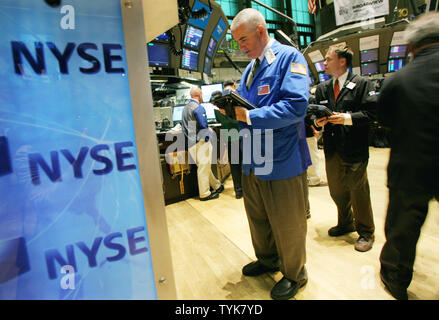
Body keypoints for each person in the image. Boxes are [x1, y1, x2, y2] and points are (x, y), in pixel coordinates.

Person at [229, 8, 311, 300]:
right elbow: (245, 108)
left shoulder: (289, 58)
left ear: (261, 31)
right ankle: (267, 260)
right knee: (259, 218)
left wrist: (249, 117)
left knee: (287, 222)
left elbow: (295, 106)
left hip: (282, 159)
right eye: (237, 41)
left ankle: (294, 273)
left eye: (243, 39)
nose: (241, 46)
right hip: (253, 159)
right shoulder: (251, 68)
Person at [377, 12, 439, 300]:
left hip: (410, 167)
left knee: (403, 228)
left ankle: (395, 277)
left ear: (411, 47)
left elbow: (386, 121)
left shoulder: (398, 80)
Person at [314, 46, 377, 252]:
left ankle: (366, 232)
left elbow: (371, 114)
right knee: (337, 190)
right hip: (332, 149)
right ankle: (345, 222)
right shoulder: (323, 88)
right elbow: (315, 116)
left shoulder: (362, 84)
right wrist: (318, 123)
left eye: (328, 59)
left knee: (358, 191)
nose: (324, 63)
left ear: (342, 61)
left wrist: (347, 118)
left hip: (354, 148)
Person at [182, 86, 224, 201]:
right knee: (203, 168)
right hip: (200, 143)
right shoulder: (199, 108)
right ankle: (205, 194)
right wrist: (207, 138)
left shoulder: (185, 108)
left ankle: (217, 186)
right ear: (199, 95)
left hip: (190, 143)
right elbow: (202, 125)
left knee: (204, 167)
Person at [213, 79, 243, 199]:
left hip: (229, 137)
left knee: (235, 166)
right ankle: (249, 190)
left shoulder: (217, 106)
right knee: (246, 164)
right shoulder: (237, 100)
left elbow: (220, 121)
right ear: (234, 85)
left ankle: (238, 191)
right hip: (242, 135)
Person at [305, 88, 327, 187]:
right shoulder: (310, 98)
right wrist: (315, 129)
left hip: (297, 132)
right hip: (307, 132)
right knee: (313, 156)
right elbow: (310, 116)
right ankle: (314, 180)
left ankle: (308, 178)